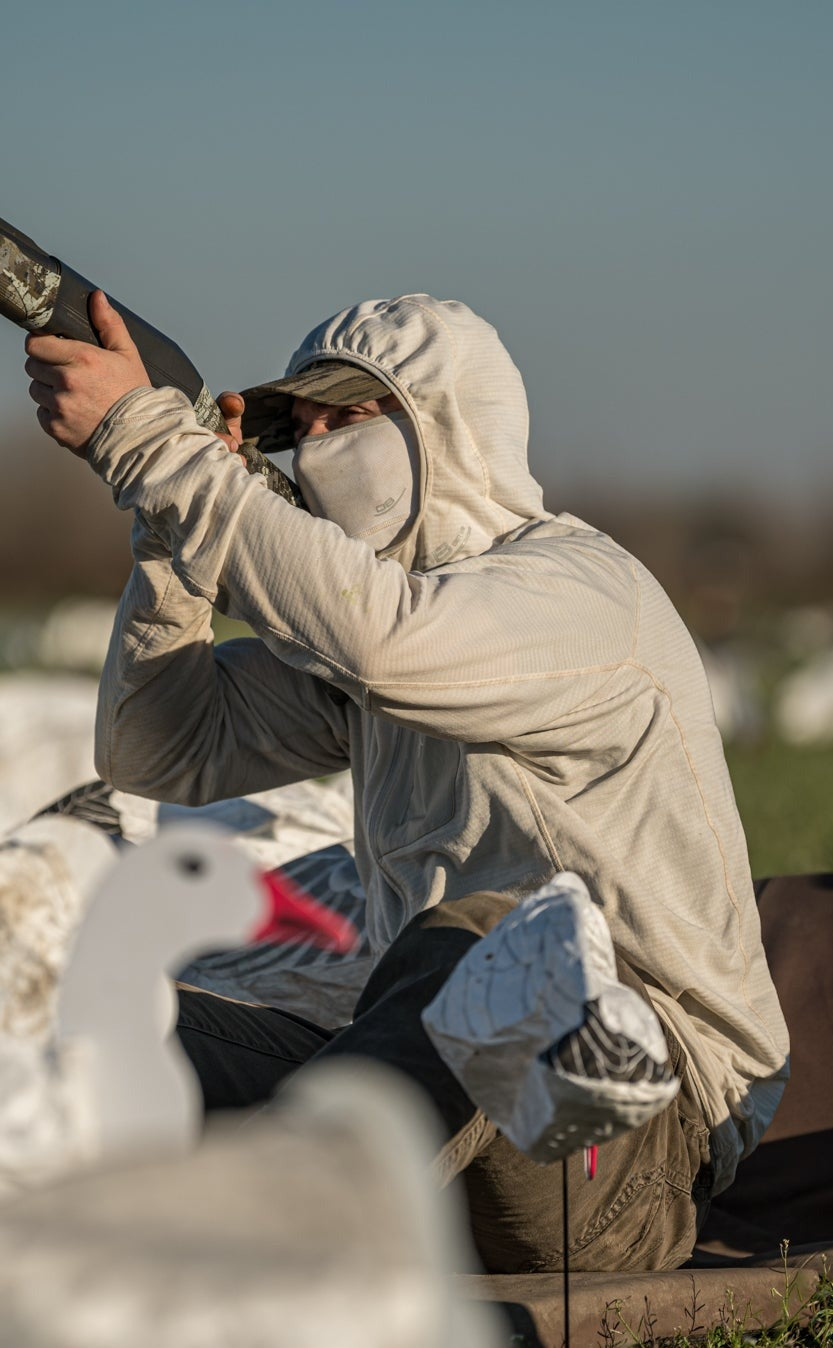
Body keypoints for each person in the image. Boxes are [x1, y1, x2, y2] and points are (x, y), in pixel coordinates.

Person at [23, 290, 789, 1272]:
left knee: (496, 943)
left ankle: (237, 1231)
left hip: (628, 1136)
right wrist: (172, 534)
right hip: (454, 1107)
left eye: (349, 417)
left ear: (452, 426)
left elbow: (385, 641)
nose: (316, 448)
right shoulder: (381, 640)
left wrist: (150, 443)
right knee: (107, 1018)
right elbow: (160, 750)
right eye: (300, 430)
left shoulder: (581, 593)